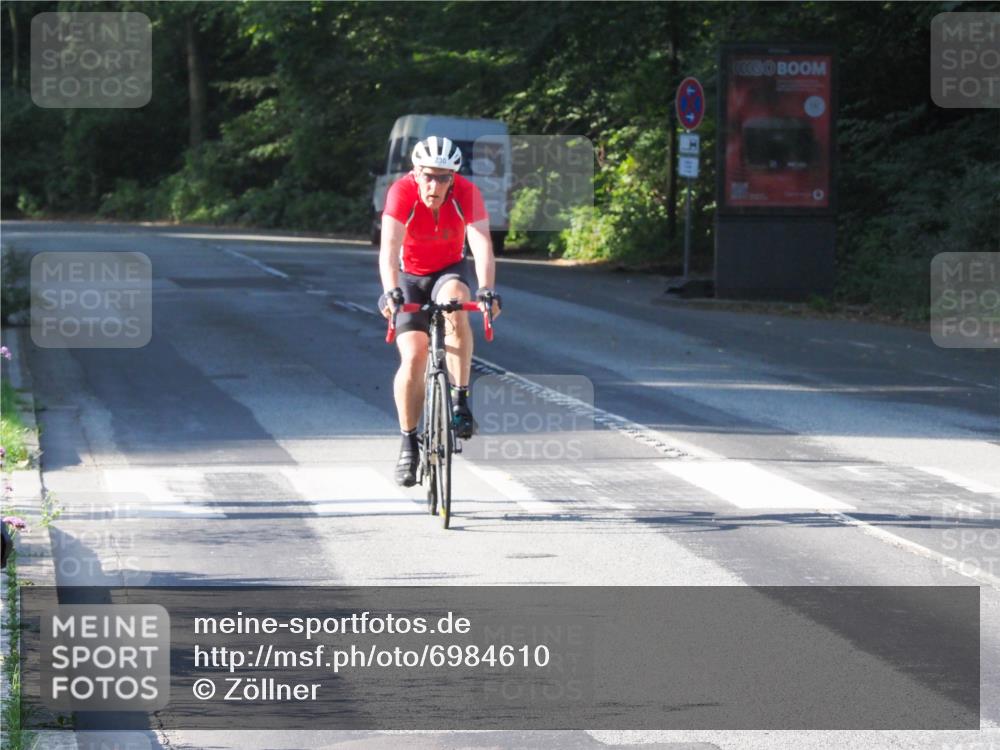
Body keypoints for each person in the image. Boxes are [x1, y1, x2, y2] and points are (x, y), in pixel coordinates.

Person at [377, 136, 502, 487]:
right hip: (408, 275)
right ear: (416, 173)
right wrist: (390, 293)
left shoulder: (467, 193)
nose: (435, 185)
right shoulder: (401, 193)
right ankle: (408, 442)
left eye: (444, 178)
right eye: (428, 176)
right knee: (414, 357)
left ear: (454, 177)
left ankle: (459, 399)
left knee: (455, 301)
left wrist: (487, 289)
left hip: (448, 268)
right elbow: (389, 249)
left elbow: (481, 244)